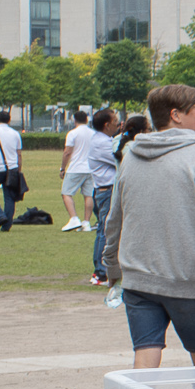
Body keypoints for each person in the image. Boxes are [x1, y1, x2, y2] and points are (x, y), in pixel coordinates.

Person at [106, 84, 195, 367]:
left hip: (138, 277)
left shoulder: (131, 156)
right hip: (190, 278)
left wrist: (112, 267)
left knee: (145, 352)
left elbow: (114, 217)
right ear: (176, 115)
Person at [82, 108, 121, 286]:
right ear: (106, 125)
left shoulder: (105, 140)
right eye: (115, 121)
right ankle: (100, 272)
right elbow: (120, 159)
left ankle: (105, 269)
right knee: (105, 230)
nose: (118, 123)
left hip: (107, 189)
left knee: (107, 229)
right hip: (106, 190)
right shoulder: (101, 143)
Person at [59, 109, 100, 231]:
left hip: (76, 167)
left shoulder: (73, 133)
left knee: (66, 193)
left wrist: (62, 168)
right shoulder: (93, 133)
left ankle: (74, 218)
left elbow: (67, 152)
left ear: (74, 120)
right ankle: (86, 222)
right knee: (89, 195)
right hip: (90, 168)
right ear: (87, 120)